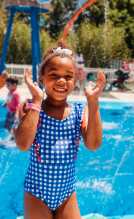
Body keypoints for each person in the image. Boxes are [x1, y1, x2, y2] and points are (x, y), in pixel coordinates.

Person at [15, 40, 106, 218]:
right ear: (42, 79)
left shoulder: (80, 112)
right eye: (54, 74)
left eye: (68, 76)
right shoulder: (31, 107)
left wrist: (93, 101)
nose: (61, 80)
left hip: (67, 193)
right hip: (36, 192)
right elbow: (23, 145)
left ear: (75, 80)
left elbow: (94, 145)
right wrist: (37, 99)